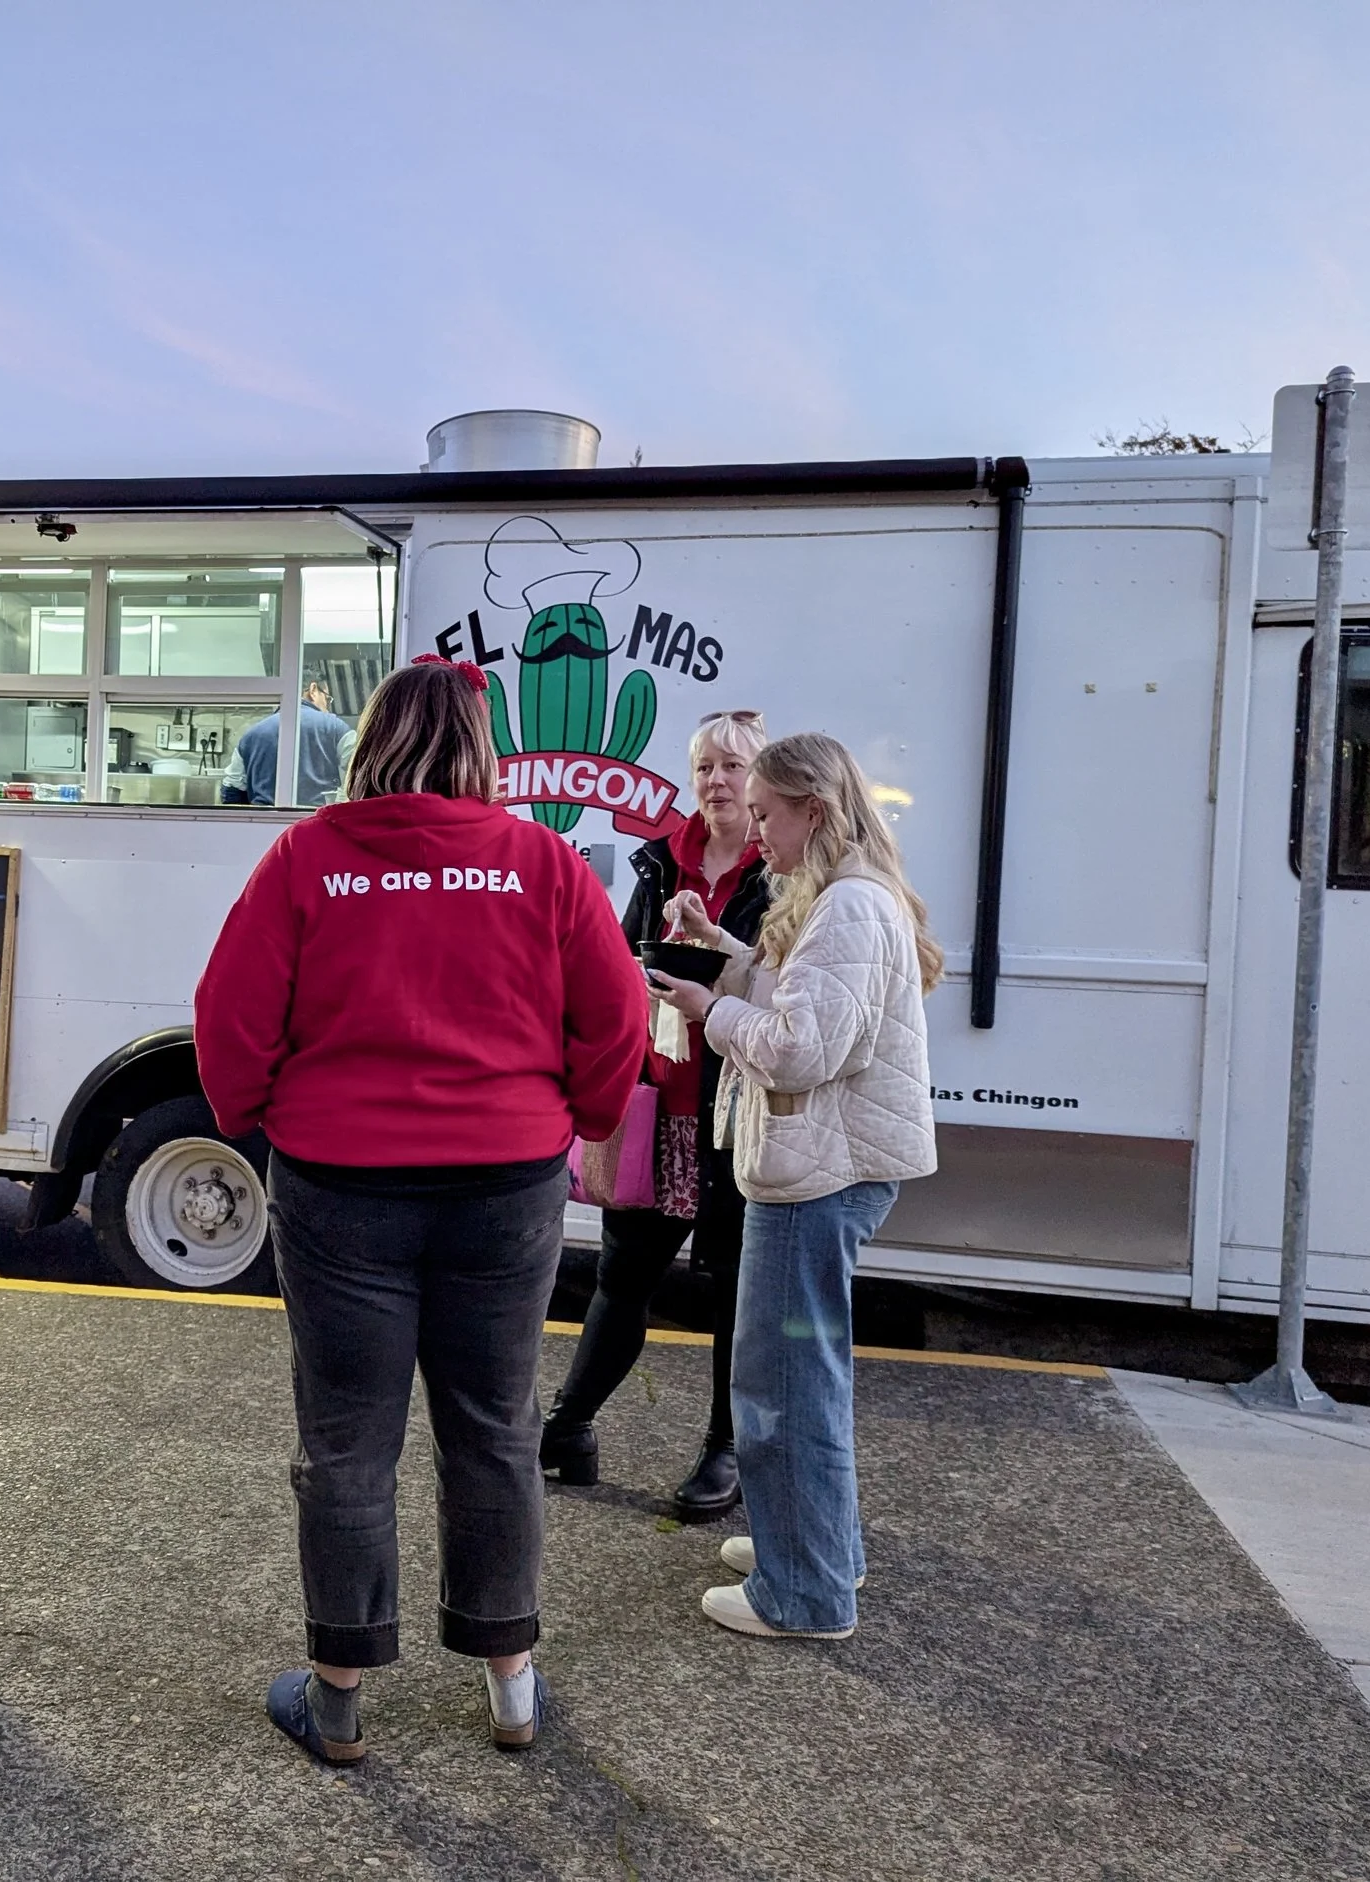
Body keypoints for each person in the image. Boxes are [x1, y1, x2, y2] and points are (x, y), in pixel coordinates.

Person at [196, 655, 645, 1763]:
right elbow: (616, 1016)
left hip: (343, 1181)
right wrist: (574, 1120)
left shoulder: (309, 854)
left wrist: (261, 1116)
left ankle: (338, 1693)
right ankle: (511, 1685)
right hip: (504, 1184)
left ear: (370, 741)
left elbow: (231, 1015)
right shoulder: (540, 861)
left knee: (346, 1438)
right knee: (494, 1428)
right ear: (481, 749)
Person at [646, 731, 941, 1641]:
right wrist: (720, 949)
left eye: (768, 813)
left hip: (815, 1177)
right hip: (830, 1170)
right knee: (806, 1376)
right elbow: (803, 1000)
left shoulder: (847, 907)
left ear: (812, 808)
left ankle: (804, 1592)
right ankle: (817, 1548)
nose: (755, 831)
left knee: (780, 1385)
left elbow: (800, 1048)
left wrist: (710, 1011)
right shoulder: (854, 893)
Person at [543, 709, 770, 1520]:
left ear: (762, 780)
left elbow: (776, 987)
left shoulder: (776, 872)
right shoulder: (658, 863)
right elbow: (622, 961)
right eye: (705, 766)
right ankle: (568, 1429)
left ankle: (726, 1449)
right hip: (660, 1101)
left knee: (733, 1290)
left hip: (734, 1108)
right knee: (623, 1275)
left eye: (733, 768)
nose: (716, 782)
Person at [219, 680, 351, 807]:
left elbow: (231, 789)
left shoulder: (250, 736)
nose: (327, 706)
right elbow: (360, 779)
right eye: (327, 699)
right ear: (313, 690)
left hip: (264, 824)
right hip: (319, 824)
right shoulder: (337, 729)